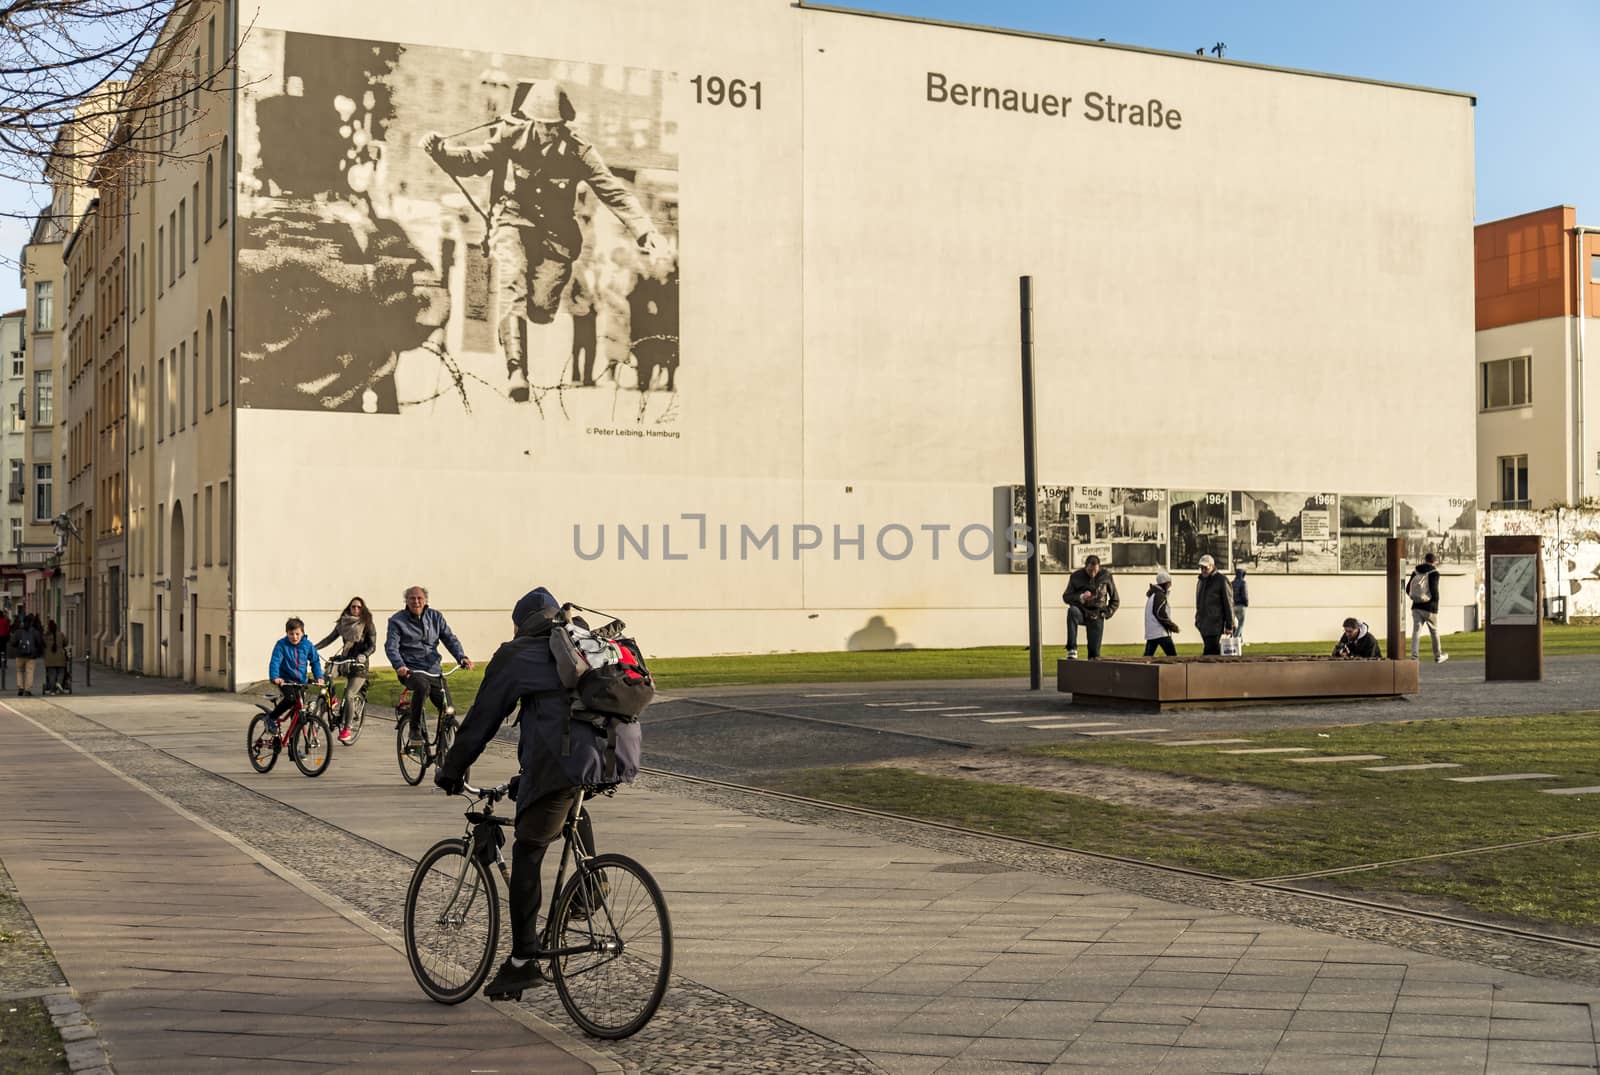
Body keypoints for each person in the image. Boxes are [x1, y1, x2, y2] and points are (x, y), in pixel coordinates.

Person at [435, 587, 640, 999]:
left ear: (520, 624)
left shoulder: (518, 654)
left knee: (528, 848)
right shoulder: (584, 640)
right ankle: (588, 885)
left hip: (563, 762)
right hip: (611, 756)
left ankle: (523, 961)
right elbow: (551, 715)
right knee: (564, 805)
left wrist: (452, 771)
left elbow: (482, 719)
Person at [421, 80, 666, 403]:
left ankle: (531, 324)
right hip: (514, 221)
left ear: (563, 123)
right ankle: (516, 371)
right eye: (542, 125)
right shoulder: (512, 135)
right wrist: (441, 151)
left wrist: (646, 230)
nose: (548, 132)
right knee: (512, 285)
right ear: (531, 119)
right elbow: (477, 160)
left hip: (556, 238)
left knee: (539, 310)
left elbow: (613, 191)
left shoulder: (579, 150)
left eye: (554, 126)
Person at [384, 586, 473, 746]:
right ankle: (414, 729)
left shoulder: (436, 617)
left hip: (434, 671)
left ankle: (443, 751)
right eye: (412, 598)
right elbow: (391, 647)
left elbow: (449, 639)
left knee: (449, 710)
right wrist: (399, 665)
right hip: (411, 670)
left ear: (425, 600)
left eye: (419, 598)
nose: (416, 601)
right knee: (422, 686)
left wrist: (461, 657)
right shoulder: (397, 621)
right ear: (407, 601)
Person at [316, 596, 377, 744]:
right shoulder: (343, 623)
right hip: (345, 659)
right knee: (327, 675)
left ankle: (347, 729)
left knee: (349, 694)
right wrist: (313, 648)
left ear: (363, 610)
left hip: (359, 663)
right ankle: (333, 698)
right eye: (353, 607)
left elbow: (372, 646)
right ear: (349, 608)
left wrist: (364, 655)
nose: (355, 609)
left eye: (358, 607)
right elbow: (329, 638)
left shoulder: (368, 625)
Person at [265, 618, 324, 729]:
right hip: (285, 680)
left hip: (300, 682)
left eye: (297, 634)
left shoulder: (307, 645)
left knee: (298, 716)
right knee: (291, 699)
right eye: (291, 634)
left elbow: (315, 662)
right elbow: (275, 661)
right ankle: (271, 718)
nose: (294, 637)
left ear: (302, 633)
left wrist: (319, 677)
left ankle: (293, 744)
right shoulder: (281, 645)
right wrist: (275, 677)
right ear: (287, 633)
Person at [1062, 554, 1119, 660]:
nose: (1092, 574)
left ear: (1099, 567)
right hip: (1081, 611)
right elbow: (1066, 597)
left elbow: (1115, 600)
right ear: (1085, 567)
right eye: (1090, 571)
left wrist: (1106, 613)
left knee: (1094, 654)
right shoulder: (1076, 576)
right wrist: (1081, 596)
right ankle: (1072, 648)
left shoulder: (1106, 576)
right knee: (1072, 611)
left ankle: (1093, 667)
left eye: (1095, 571)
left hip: (1097, 613)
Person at [1406, 552, 1448, 664]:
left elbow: (1407, 588)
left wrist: (1417, 598)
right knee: (1434, 631)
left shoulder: (1415, 571)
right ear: (1435, 561)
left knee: (1416, 632)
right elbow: (1434, 591)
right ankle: (1438, 656)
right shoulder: (1434, 573)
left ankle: (1414, 656)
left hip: (1416, 607)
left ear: (1424, 560)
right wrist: (1435, 606)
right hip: (1429, 607)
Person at [1194, 554, 1234, 656]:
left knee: (1210, 652)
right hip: (1204, 624)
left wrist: (1229, 625)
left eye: (1205, 568)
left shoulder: (1221, 580)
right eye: (1201, 567)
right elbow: (1199, 602)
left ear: (1212, 566)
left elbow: (1228, 603)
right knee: (1211, 652)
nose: (1203, 570)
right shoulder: (1201, 581)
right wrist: (1198, 619)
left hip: (1216, 625)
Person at [1143, 571, 1180, 657]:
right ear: (1165, 584)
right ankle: (1177, 671)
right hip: (1160, 632)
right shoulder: (1159, 595)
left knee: (1147, 658)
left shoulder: (1153, 594)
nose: (1170, 586)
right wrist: (1171, 626)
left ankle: (1139, 670)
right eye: (1169, 583)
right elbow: (1160, 613)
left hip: (1152, 632)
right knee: (1173, 657)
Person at [11, 614, 42, 696]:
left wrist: (18, 646)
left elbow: (13, 643)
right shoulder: (35, 632)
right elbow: (39, 643)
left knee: (19, 671)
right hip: (31, 656)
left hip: (19, 655)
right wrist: (36, 652)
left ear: (23, 622)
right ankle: (28, 690)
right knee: (30, 672)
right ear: (31, 622)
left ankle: (20, 688)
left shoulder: (18, 632)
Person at [41, 620, 68, 695]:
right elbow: (65, 643)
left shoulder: (45, 636)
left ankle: (52, 690)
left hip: (49, 658)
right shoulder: (61, 635)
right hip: (60, 657)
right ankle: (59, 683)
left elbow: (42, 644)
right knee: (61, 672)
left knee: (51, 674)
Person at [1231, 566, 1249, 647]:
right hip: (1241, 605)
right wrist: (1246, 603)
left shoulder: (1232, 583)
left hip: (1233, 606)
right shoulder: (1243, 583)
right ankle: (1234, 639)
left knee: (1237, 624)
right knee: (1241, 624)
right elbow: (1244, 595)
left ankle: (1240, 642)